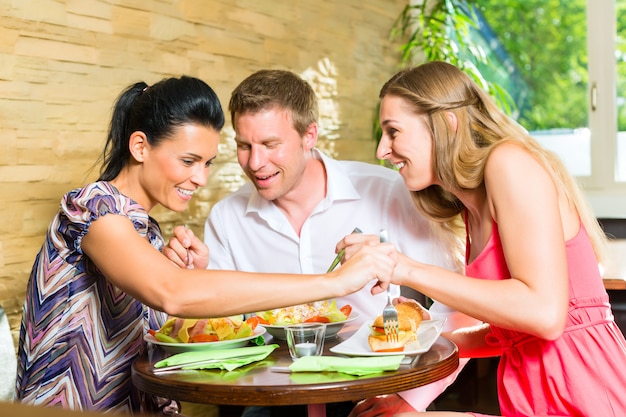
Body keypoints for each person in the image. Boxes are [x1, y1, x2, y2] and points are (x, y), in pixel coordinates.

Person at [14, 76, 397, 415]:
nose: (200, 178)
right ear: (140, 147)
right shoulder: (92, 210)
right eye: (188, 160)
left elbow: (165, 330)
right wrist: (336, 282)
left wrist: (196, 281)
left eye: (208, 162)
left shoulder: (143, 232)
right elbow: (173, 294)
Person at [344, 61, 626, 416]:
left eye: (394, 131)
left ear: (446, 122)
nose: (382, 150)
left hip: (584, 393)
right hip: (531, 397)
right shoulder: (471, 209)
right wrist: (417, 344)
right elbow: (512, 334)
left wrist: (403, 268)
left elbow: (544, 315)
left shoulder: (508, 163)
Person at [203, 69, 480, 417]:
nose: (255, 163)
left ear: (309, 135)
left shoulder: (390, 192)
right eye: (244, 146)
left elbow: (461, 302)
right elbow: (216, 327)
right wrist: (193, 276)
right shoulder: (226, 218)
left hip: (380, 392)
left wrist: (412, 398)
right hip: (272, 400)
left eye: (271, 145)